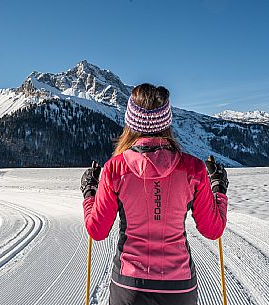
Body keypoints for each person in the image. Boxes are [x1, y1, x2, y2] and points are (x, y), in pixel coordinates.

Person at [80, 83, 229, 305]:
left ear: (130, 123)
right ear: (166, 123)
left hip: (129, 285)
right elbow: (213, 229)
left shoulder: (115, 169)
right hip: (179, 286)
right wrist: (218, 189)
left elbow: (97, 230)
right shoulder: (193, 169)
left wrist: (90, 193)